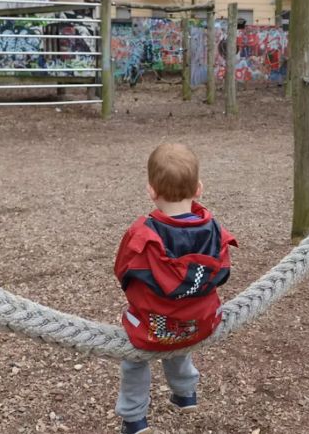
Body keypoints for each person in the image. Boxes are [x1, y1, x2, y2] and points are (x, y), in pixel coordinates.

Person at [113, 143, 237, 434]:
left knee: (134, 359)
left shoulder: (142, 233)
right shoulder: (214, 229)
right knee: (181, 330)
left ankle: (134, 420)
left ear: (151, 191)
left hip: (152, 328)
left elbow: (123, 272)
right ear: (198, 188)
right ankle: (185, 394)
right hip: (201, 323)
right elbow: (223, 274)